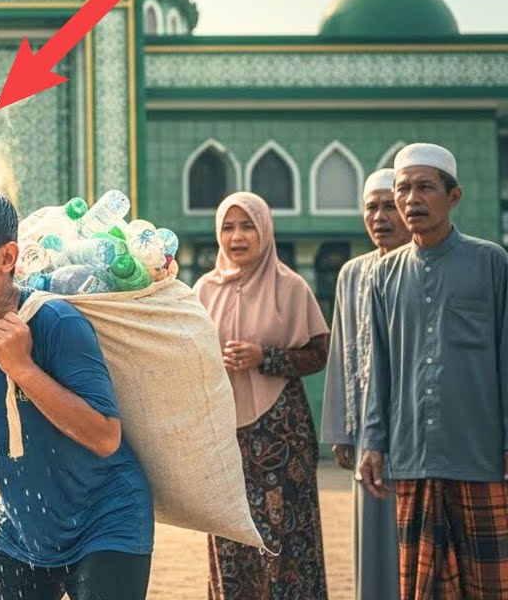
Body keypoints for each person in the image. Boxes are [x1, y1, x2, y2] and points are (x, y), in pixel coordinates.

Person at [0, 187, 154, 600]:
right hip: (22, 527)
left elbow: (106, 436)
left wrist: (23, 369)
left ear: (6, 258)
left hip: (106, 522)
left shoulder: (54, 321)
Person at [359, 143, 508, 599]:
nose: (410, 200)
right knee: (422, 589)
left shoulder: (491, 263)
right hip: (413, 457)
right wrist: (372, 441)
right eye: (402, 188)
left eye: (424, 187)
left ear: (454, 196)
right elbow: (378, 365)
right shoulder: (384, 276)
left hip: (481, 456)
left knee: (490, 586)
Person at [194, 191, 329, 600]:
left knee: (286, 532)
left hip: (281, 432)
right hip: (223, 431)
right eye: (229, 227)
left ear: (265, 230)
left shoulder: (290, 287)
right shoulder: (203, 291)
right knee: (231, 535)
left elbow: (320, 353)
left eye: (247, 225)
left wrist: (264, 356)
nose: (237, 236)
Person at [320, 168, 407, 600]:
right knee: (373, 532)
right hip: (366, 429)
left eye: (389, 205)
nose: (380, 216)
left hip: (414, 428)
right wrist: (340, 428)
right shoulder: (353, 274)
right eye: (371, 207)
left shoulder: (422, 268)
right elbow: (341, 353)